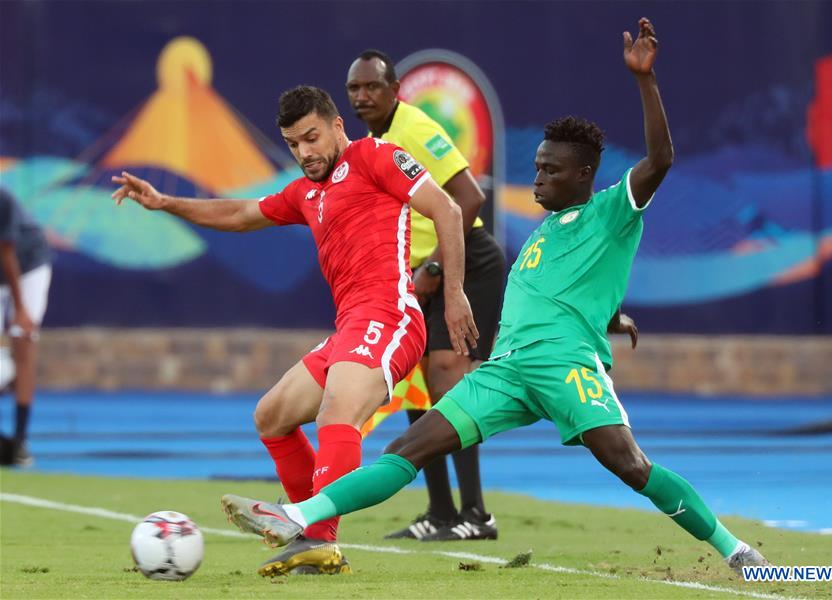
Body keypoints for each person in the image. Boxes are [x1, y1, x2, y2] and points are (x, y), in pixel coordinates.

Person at [221, 19, 769, 577]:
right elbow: (563, 295)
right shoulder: (539, 235)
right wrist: (608, 315)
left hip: (564, 367)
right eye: (536, 167)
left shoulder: (611, 212)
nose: (538, 179)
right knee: (407, 447)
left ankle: (737, 550)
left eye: (551, 170)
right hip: (506, 372)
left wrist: (645, 81)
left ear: (584, 174)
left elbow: (660, 160)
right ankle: (302, 518)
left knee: (630, 465)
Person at [111, 86, 478, 575]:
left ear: (337, 127)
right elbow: (241, 215)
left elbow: (449, 209)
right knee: (271, 417)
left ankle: (320, 540)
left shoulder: (376, 156)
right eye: (293, 144)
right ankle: (307, 531)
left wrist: (453, 294)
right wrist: (165, 202)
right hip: (349, 327)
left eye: (311, 137)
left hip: (389, 315)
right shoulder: (305, 193)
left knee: (336, 413)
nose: (304, 152)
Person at [346, 49, 506, 541]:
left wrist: (436, 265)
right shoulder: (370, 143)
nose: (362, 96)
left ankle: (476, 514)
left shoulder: (415, 129)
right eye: (354, 88)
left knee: (446, 384)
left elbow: (471, 197)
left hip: (465, 262)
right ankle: (440, 511)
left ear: (395, 89)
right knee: (415, 386)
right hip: (418, 274)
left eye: (372, 86)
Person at [0, 188, 53, 468]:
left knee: (23, 341)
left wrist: (20, 310)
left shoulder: (3, 200)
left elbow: (7, 254)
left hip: (28, 265)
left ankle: (20, 440)